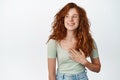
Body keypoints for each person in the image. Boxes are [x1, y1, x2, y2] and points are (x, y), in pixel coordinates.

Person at [47, 2, 101, 80]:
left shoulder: (89, 41)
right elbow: (51, 74)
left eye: (74, 16)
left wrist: (85, 62)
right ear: (63, 19)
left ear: (80, 19)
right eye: (67, 16)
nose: (70, 20)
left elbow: (97, 68)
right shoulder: (54, 42)